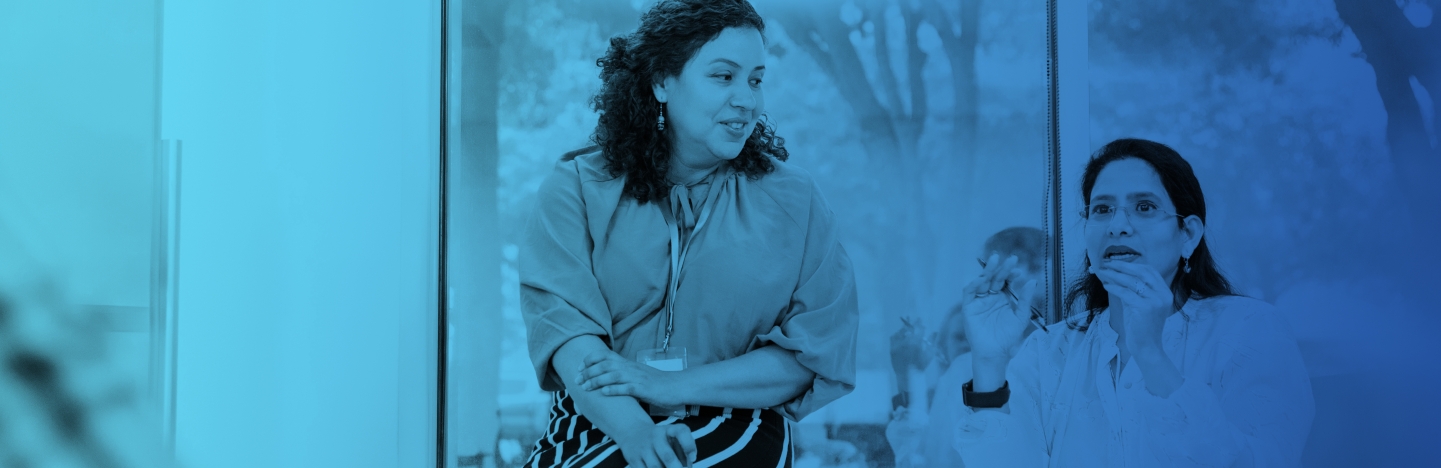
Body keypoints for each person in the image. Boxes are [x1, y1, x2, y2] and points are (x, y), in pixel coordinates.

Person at [518, 1, 860, 467]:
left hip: (737, 419)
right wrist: (636, 430)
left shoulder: (796, 202)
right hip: (592, 417)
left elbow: (811, 354)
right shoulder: (575, 187)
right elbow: (566, 333)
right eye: (724, 76)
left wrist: (665, 385)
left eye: (756, 80)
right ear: (662, 81)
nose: (748, 99)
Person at [952, 138, 1315, 466]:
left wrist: (1150, 353)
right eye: (1102, 209)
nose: (1118, 226)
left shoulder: (1249, 330)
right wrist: (988, 361)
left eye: (1144, 207)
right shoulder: (1050, 350)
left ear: (1187, 235)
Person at [885, 227, 1047, 468]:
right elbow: (932, 457)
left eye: (1031, 265)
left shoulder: (1079, 353)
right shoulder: (962, 375)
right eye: (995, 272)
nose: (1017, 279)